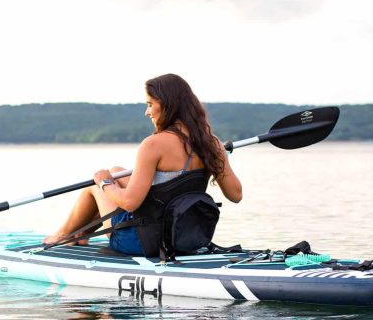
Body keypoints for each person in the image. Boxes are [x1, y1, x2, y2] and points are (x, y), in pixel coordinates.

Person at [43, 73, 242, 256]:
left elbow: (130, 203)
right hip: (184, 237)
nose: (147, 112)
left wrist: (104, 183)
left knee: (95, 186)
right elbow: (236, 195)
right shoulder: (212, 143)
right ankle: (82, 233)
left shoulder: (154, 144)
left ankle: (64, 235)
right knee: (117, 172)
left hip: (142, 241)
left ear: (166, 104)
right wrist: (219, 159)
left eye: (149, 104)